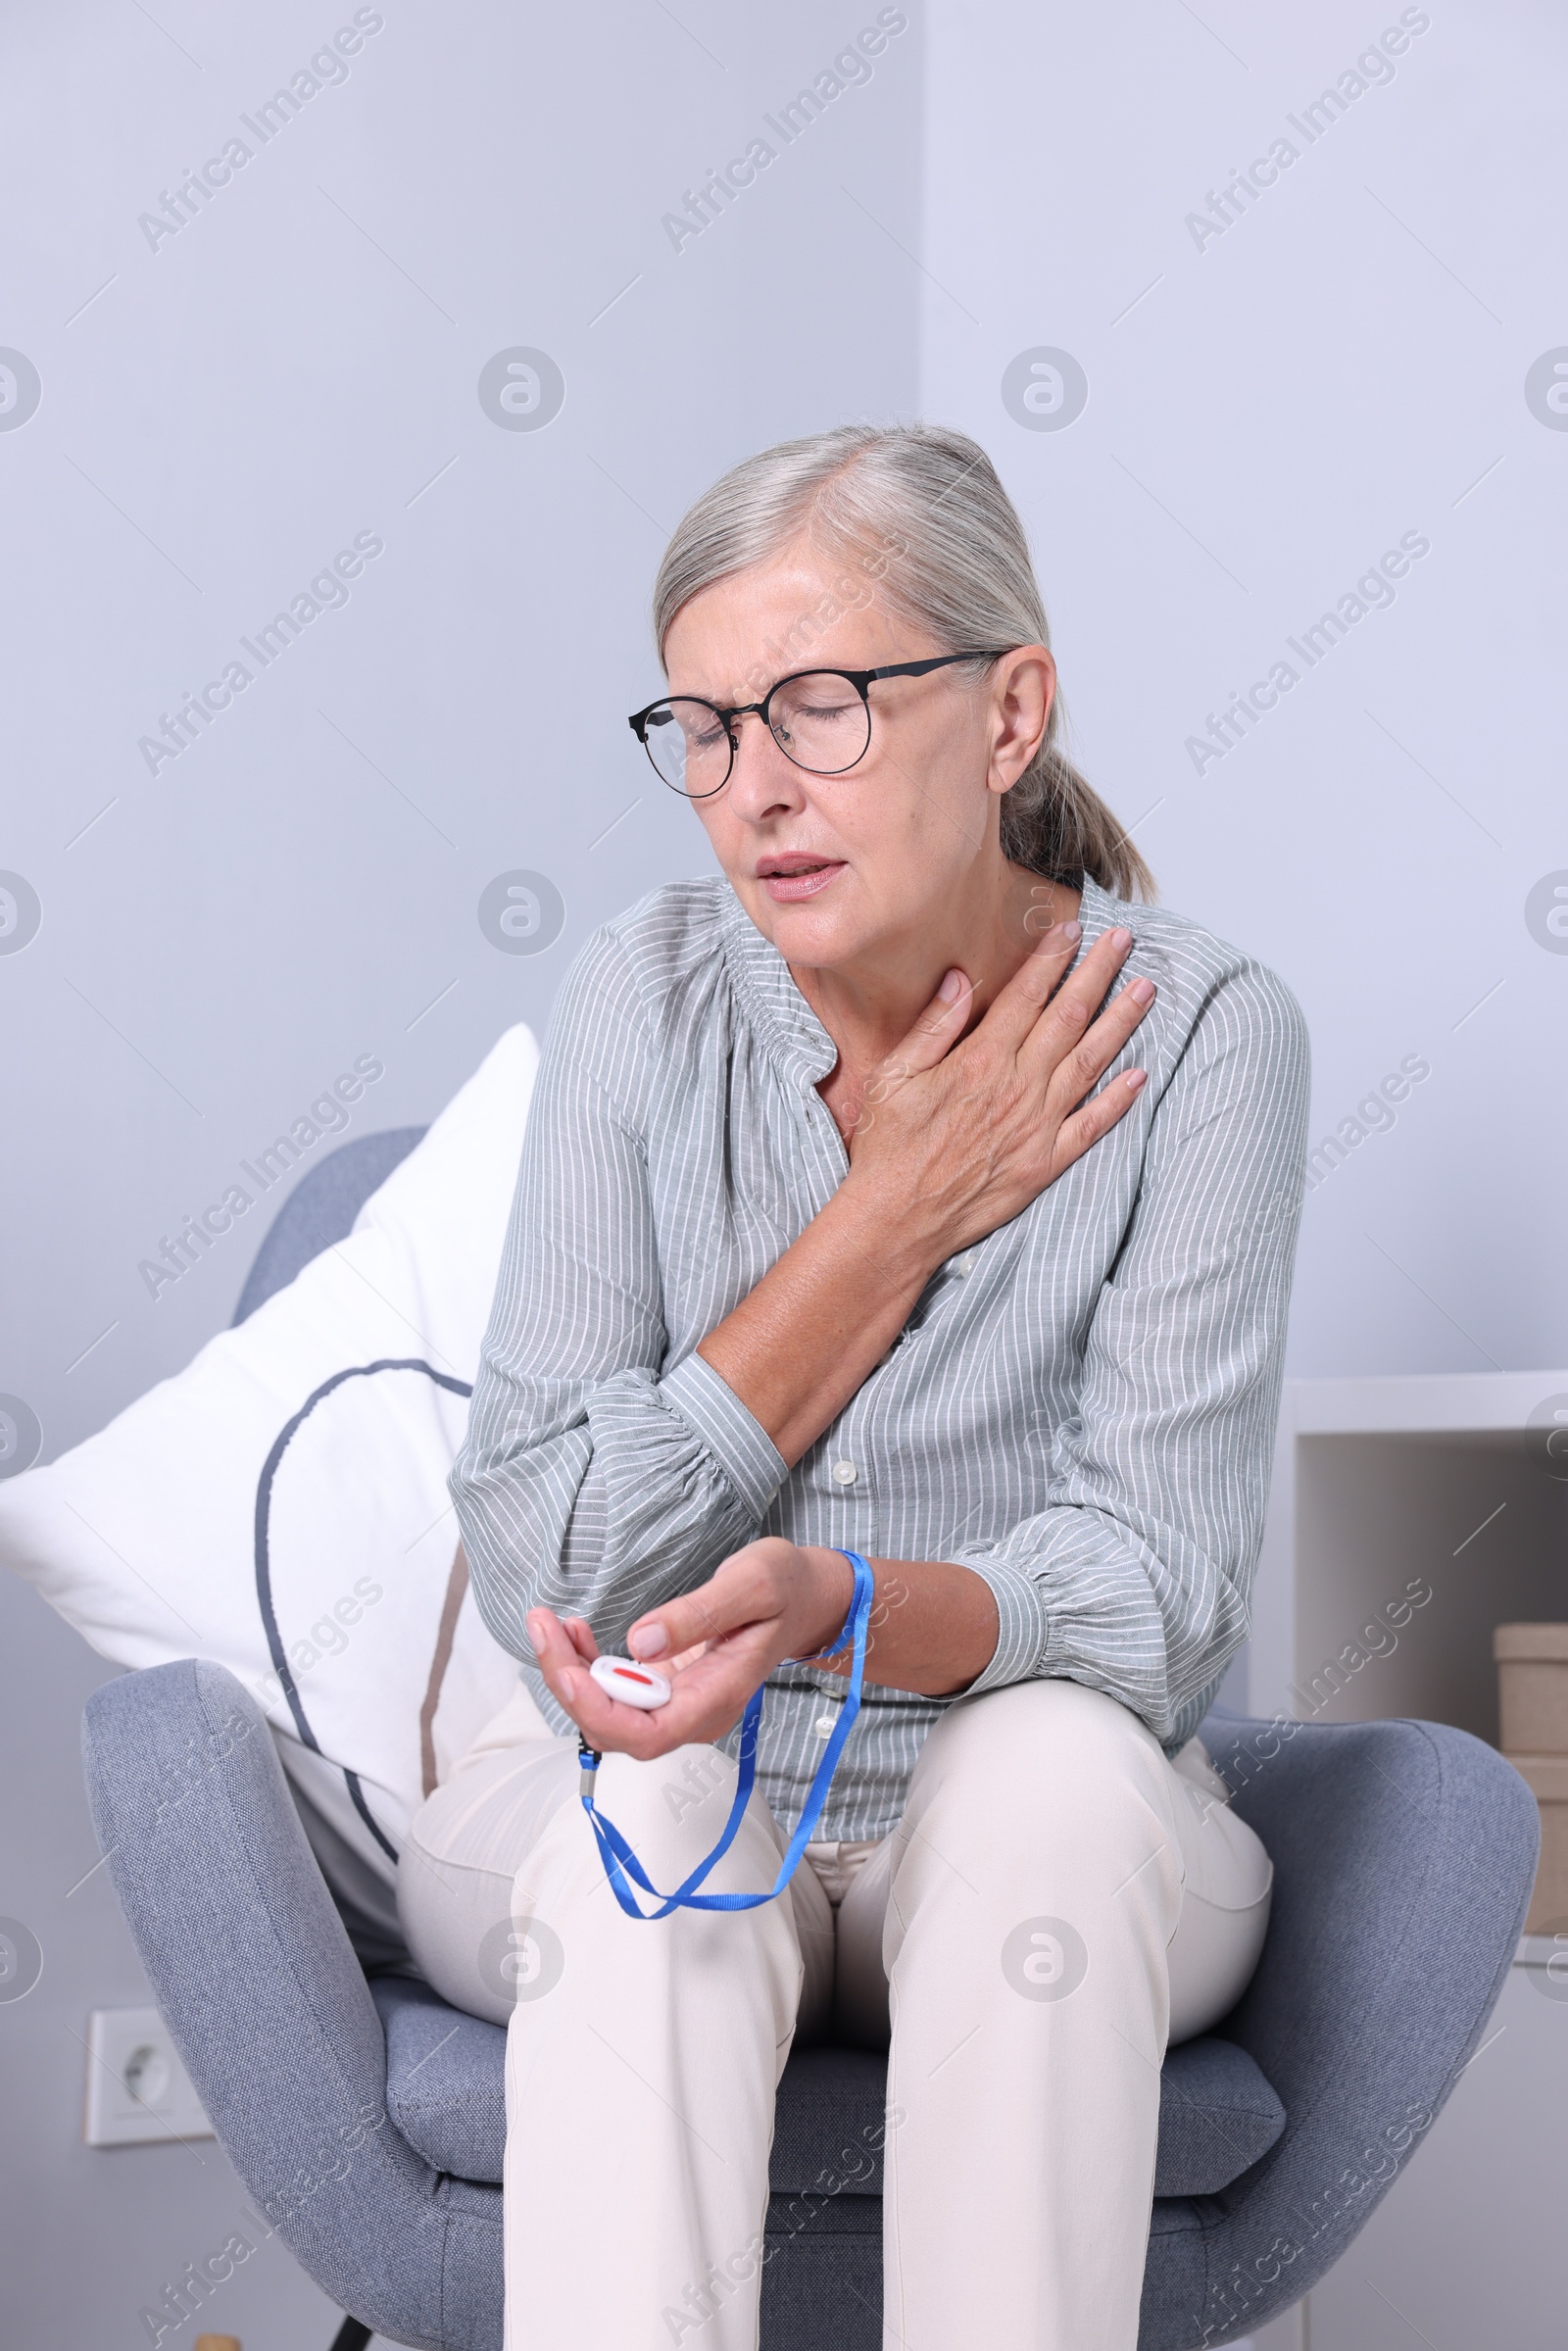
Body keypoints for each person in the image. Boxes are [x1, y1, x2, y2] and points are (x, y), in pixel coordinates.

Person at [398, 421, 1309, 2351]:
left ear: (1006, 714)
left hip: (1008, 1827)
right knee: (654, 1806)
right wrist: (885, 1217)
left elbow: (1154, 1600)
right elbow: (545, 1556)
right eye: (704, 730)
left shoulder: (1204, 1034)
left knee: (1058, 1769)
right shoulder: (642, 999)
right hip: (636, 1788)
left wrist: (850, 1609)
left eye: (817, 708)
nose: (752, 793)